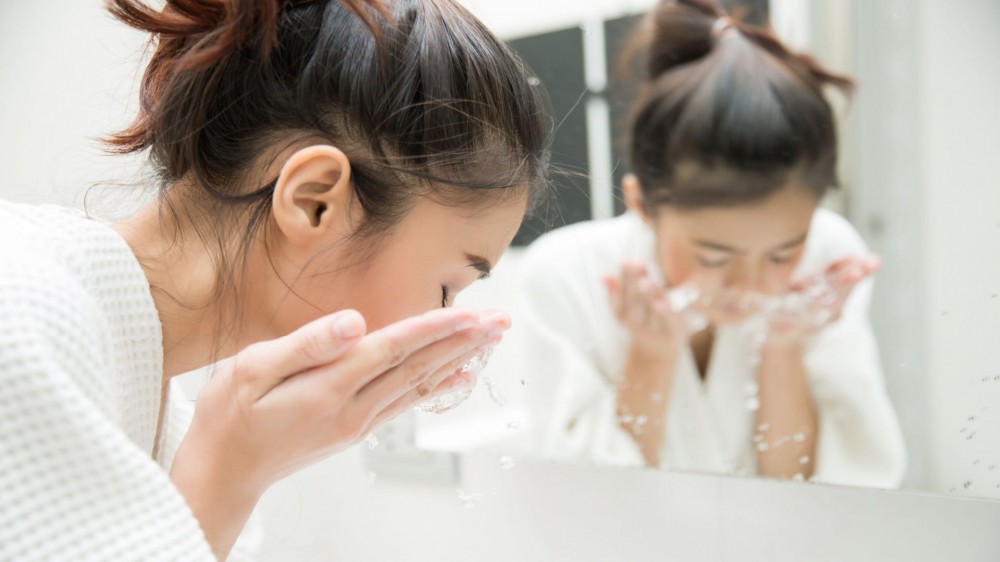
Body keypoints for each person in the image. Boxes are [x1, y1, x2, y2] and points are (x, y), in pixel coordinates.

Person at [0, 0, 549, 559]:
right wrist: (228, 471)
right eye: (447, 288)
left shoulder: (165, 409)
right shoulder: (19, 319)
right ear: (314, 202)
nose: (450, 347)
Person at [517, 0, 905, 488]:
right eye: (713, 256)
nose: (749, 284)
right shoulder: (564, 273)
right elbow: (590, 496)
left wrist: (783, 345)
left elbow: (814, 492)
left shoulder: (827, 253)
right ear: (642, 205)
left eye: (783, 253)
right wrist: (652, 353)